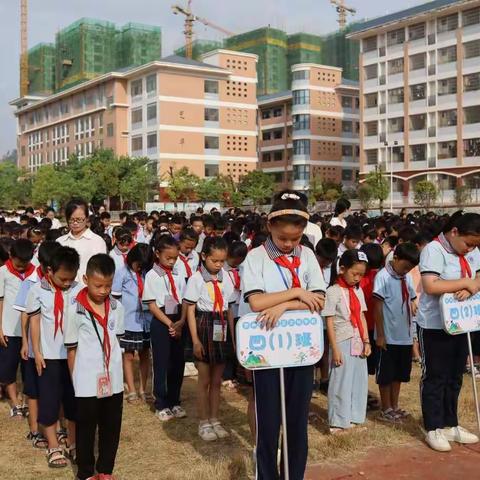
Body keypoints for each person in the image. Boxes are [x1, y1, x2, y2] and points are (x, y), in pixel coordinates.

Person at [240, 190, 326, 480]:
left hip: (301, 351)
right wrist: (296, 293)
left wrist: (284, 304)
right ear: (269, 227)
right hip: (269, 350)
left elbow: (319, 300)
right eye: (283, 239)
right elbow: (256, 302)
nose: (289, 244)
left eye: (295, 239)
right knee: (268, 423)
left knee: (296, 424)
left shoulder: (309, 257)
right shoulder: (255, 258)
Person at [417, 211, 480, 452]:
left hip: (462, 323)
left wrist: (472, 287)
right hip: (434, 325)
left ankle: (450, 423)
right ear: (454, 232)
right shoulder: (434, 250)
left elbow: (478, 275)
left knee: (455, 376)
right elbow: (431, 285)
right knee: (435, 376)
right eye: (468, 243)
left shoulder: (473, 252)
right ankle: (433, 427)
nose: (470, 250)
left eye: (475, 246)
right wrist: (465, 283)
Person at [64, 254, 125, 480]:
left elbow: (116, 340)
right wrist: (75, 379)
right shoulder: (75, 309)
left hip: (113, 378)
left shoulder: (117, 307)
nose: (103, 290)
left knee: (111, 426)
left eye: (108, 285)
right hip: (87, 380)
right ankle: (86, 472)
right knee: (86, 428)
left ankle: (106, 470)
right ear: (85, 279)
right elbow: (71, 349)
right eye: (98, 285)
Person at [28, 246, 81, 468]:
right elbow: (35, 322)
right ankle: (53, 445)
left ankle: (73, 442)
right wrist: (37, 352)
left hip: (74, 356)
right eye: (63, 279)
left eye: (72, 278)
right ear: (49, 271)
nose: (67, 283)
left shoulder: (80, 290)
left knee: (74, 401)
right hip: (48, 357)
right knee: (49, 401)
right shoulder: (37, 291)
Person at [184, 237, 236, 442]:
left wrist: (232, 336)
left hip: (222, 324)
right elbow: (189, 309)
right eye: (215, 261)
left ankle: (215, 419)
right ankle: (203, 422)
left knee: (217, 381)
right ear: (204, 256)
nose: (219, 265)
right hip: (204, 324)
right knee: (204, 380)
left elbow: (230, 308)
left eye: (222, 261)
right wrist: (195, 340)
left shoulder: (227, 277)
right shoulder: (196, 279)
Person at [15, 241, 59, 449]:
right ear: (40, 262)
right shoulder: (30, 283)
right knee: (33, 391)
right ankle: (35, 431)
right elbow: (25, 313)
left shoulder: (62, 281)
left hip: (55, 348)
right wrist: (25, 342)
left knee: (55, 390)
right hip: (34, 349)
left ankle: (57, 428)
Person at [323, 249, 371, 434]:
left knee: (358, 381)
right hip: (342, 340)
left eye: (361, 275)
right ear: (342, 269)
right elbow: (329, 321)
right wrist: (334, 349)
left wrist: (366, 341)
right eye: (354, 274)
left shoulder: (357, 291)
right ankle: (337, 421)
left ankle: (354, 416)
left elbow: (361, 316)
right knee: (340, 380)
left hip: (357, 339)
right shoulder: (333, 291)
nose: (357, 278)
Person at [373, 242, 419, 423]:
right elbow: (377, 307)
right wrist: (381, 334)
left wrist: (413, 304)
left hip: (404, 335)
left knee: (399, 374)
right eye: (405, 266)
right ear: (396, 258)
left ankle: (395, 405)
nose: (406, 271)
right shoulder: (383, 277)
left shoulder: (405, 277)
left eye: (410, 269)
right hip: (388, 336)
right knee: (386, 374)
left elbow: (412, 297)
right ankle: (385, 408)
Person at [143, 235, 187, 421]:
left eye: (175, 258)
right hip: (161, 321)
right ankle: (161, 401)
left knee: (178, 362)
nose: (171, 261)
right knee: (161, 362)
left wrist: (181, 321)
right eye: (167, 257)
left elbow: (185, 299)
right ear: (157, 254)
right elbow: (152, 305)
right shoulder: (152, 276)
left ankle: (174, 400)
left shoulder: (179, 273)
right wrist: (169, 324)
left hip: (178, 317)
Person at [112, 244, 154, 404]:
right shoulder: (121, 273)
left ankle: (144, 388)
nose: (140, 267)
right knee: (129, 355)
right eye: (138, 264)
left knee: (144, 354)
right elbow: (114, 299)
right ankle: (132, 390)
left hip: (146, 321)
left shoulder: (147, 273)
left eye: (143, 265)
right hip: (129, 322)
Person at [0, 238, 35, 417]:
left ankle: (25, 399)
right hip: (8, 330)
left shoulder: (35, 273)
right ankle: (14, 402)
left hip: (29, 331)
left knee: (28, 367)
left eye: (25, 264)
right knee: (8, 367)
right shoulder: (3, 273)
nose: (22, 267)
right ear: (10, 256)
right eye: (18, 263)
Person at [58, 198, 107, 280]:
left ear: (87, 218)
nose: (75, 223)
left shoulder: (97, 241)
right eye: (71, 219)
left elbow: (101, 270)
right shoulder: (60, 242)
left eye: (79, 219)